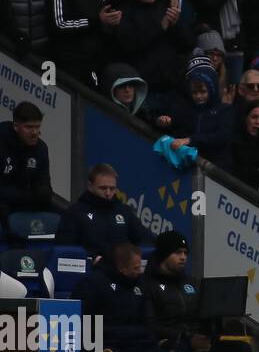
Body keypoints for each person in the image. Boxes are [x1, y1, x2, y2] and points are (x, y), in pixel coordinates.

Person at [140, 231, 252, 352]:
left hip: (198, 341)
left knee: (242, 349)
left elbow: (204, 318)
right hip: (173, 341)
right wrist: (186, 338)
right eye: (177, 253)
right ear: (164, 255)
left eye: (185, 253)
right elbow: (151, 326)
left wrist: (216, 322)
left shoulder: (193, 283)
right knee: (175, 351)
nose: (183, 257)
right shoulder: (148, 285)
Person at [73, 242, 181, 352]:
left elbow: (147, 321)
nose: (139, 271)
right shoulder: (92, 284)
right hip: (103, 344)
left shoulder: (140, 284)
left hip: (137, 343)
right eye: (135, 268)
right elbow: (83, 323)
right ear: (121, 267)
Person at [55, 163, 149, 261]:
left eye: (112, 188)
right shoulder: (74, 212)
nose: (108, 193)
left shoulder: (124, 211)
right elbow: (65, 248)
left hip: (121, 270)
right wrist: (90, 258)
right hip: (90, 270)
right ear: (90, 186)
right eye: (103, 188)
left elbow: (144, 238)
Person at [0, 101, 53, 233]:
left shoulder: (41, 148)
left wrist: (42, 193)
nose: (35, 132)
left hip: (24, 201)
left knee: (65, 217)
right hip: (5, 201)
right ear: (16, 126)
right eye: (29, 127)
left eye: (37, 127)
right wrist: (29, 196)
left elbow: (44, 184)